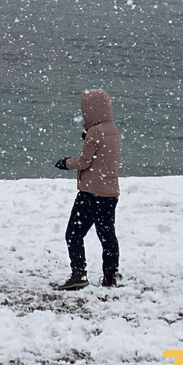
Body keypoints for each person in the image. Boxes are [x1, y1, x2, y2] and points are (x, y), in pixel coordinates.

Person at [54, 89, 122, 290]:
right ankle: (110, 275)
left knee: (73, 234)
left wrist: (66, 163)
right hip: (110, 193)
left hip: (92, 193)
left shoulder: (95, 132)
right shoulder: (112, 129)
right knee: (107, 235)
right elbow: (103, 157)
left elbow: (84, 162)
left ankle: (79, 274)